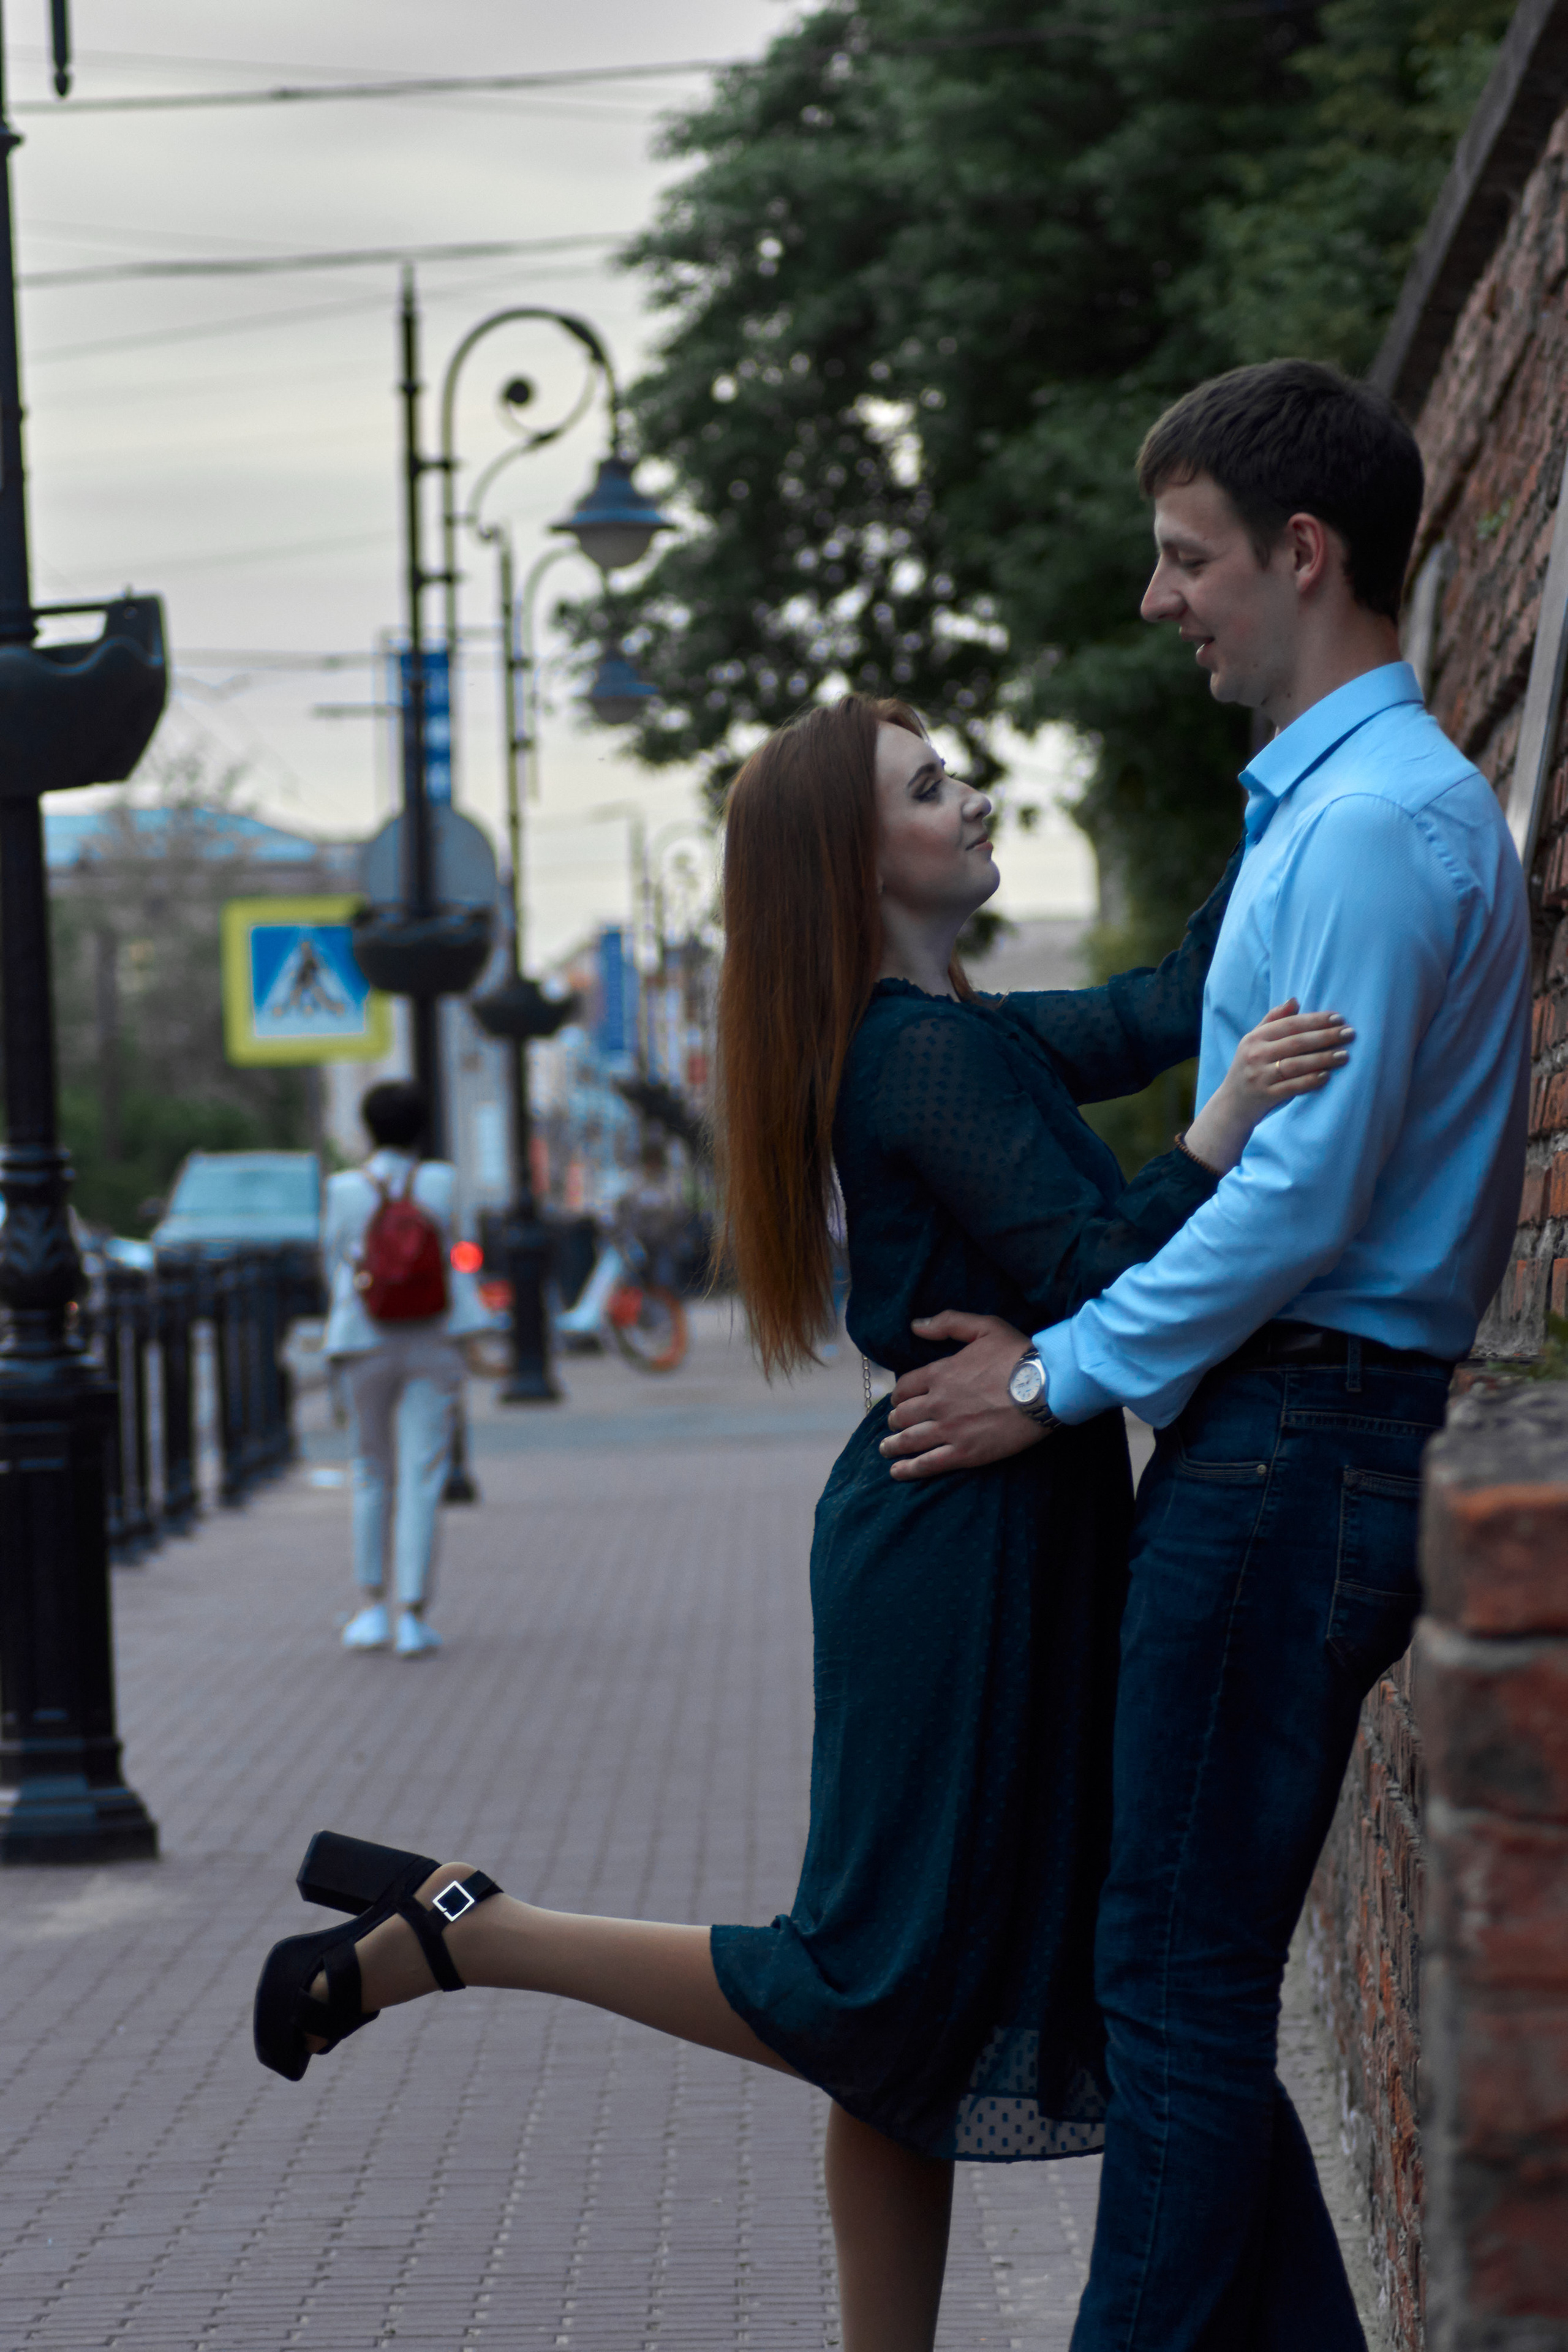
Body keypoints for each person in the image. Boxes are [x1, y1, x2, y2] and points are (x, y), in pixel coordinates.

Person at [256, 698, 1350, 2352]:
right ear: (859, 861)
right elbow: (1091, 1273)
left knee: (921, 2002)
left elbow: (1146, 1012)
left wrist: (1289, 799)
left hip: (989, 1533)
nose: (971, 795)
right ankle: (474, 1936)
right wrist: (1221, 1129)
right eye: (931, 786)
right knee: (879, 1983)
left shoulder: (946, 1020)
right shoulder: (918, 1051)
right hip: (957, 1554)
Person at [877, 360, 1532, 2350]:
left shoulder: (1363, 834)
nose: (1161, 600)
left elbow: (1298, 1205)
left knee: (1166, 1981)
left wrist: (1051, 1374)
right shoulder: (1349, 815)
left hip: (1297, 1437)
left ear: (1300, 555)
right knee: (1180, 1978)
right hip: (1300, 1438)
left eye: (1188, 559)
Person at [322, 1079, 492, 1659]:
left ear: (368, 1129)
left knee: (371, 1470)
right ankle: (413, 1615)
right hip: (434, 1337)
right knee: (424, 1475)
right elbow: (463, 1252)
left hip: (365, 1339)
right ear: (421, 1127)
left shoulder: (344, 1189)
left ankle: (371, 1608)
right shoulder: (441, 1183)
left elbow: (335, 1265)